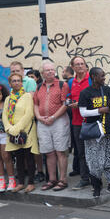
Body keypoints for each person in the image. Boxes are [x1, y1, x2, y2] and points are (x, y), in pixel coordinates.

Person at [78, 67, 110, 199]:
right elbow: (83, 112)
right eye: (101, 76)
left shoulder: (107, 90)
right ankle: (96, 186)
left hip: (108, 130)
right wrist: (99, 111)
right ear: (93, 77)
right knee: (93, 160)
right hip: (93, 132)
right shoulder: (85, 93)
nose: (104, 78)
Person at [33, 61, 70, 191]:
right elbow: (36, 104)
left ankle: (63, 180)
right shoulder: (39, 87)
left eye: (52, 70)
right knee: (49, 152)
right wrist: (38, 117)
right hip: (43, 122)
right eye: (47, 70)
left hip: (59, 121)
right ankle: (52, 179)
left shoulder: (62, 85)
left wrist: (53, 117)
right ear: (42, 73)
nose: (50, 72)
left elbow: (65, 104)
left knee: (60, 151)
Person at [2, 73, 39, 193]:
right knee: (18, 158)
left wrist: (16, 129)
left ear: (21, 82)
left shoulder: (27, 96)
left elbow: (29, 114)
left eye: (19, 80)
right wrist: (9, 128)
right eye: (14, 81)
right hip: (13, 133)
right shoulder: (8, 99)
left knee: (29, 157)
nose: (17, 83)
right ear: (10, 83)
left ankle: (31, 183)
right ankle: (21, 183)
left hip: (26, 132)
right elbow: (4, 116)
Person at [68, 56, 95, 190]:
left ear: (85, 66)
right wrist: (69, 103)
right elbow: (67, 97)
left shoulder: (91, 79)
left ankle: (95, 178)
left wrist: (80, 104)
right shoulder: (70, 82)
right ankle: (85, 178)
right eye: (77, 64)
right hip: (77, 122)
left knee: (94, 151)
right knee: (81, 152)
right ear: (72, 67)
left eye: (82, 64)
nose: (79, 66)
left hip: (91, 121)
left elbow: (97, 98)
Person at [0, 84, 14, 192]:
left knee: (6, 157)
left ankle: (11, 180)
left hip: (4, 134)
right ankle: (1, 181)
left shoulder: (7, 104)